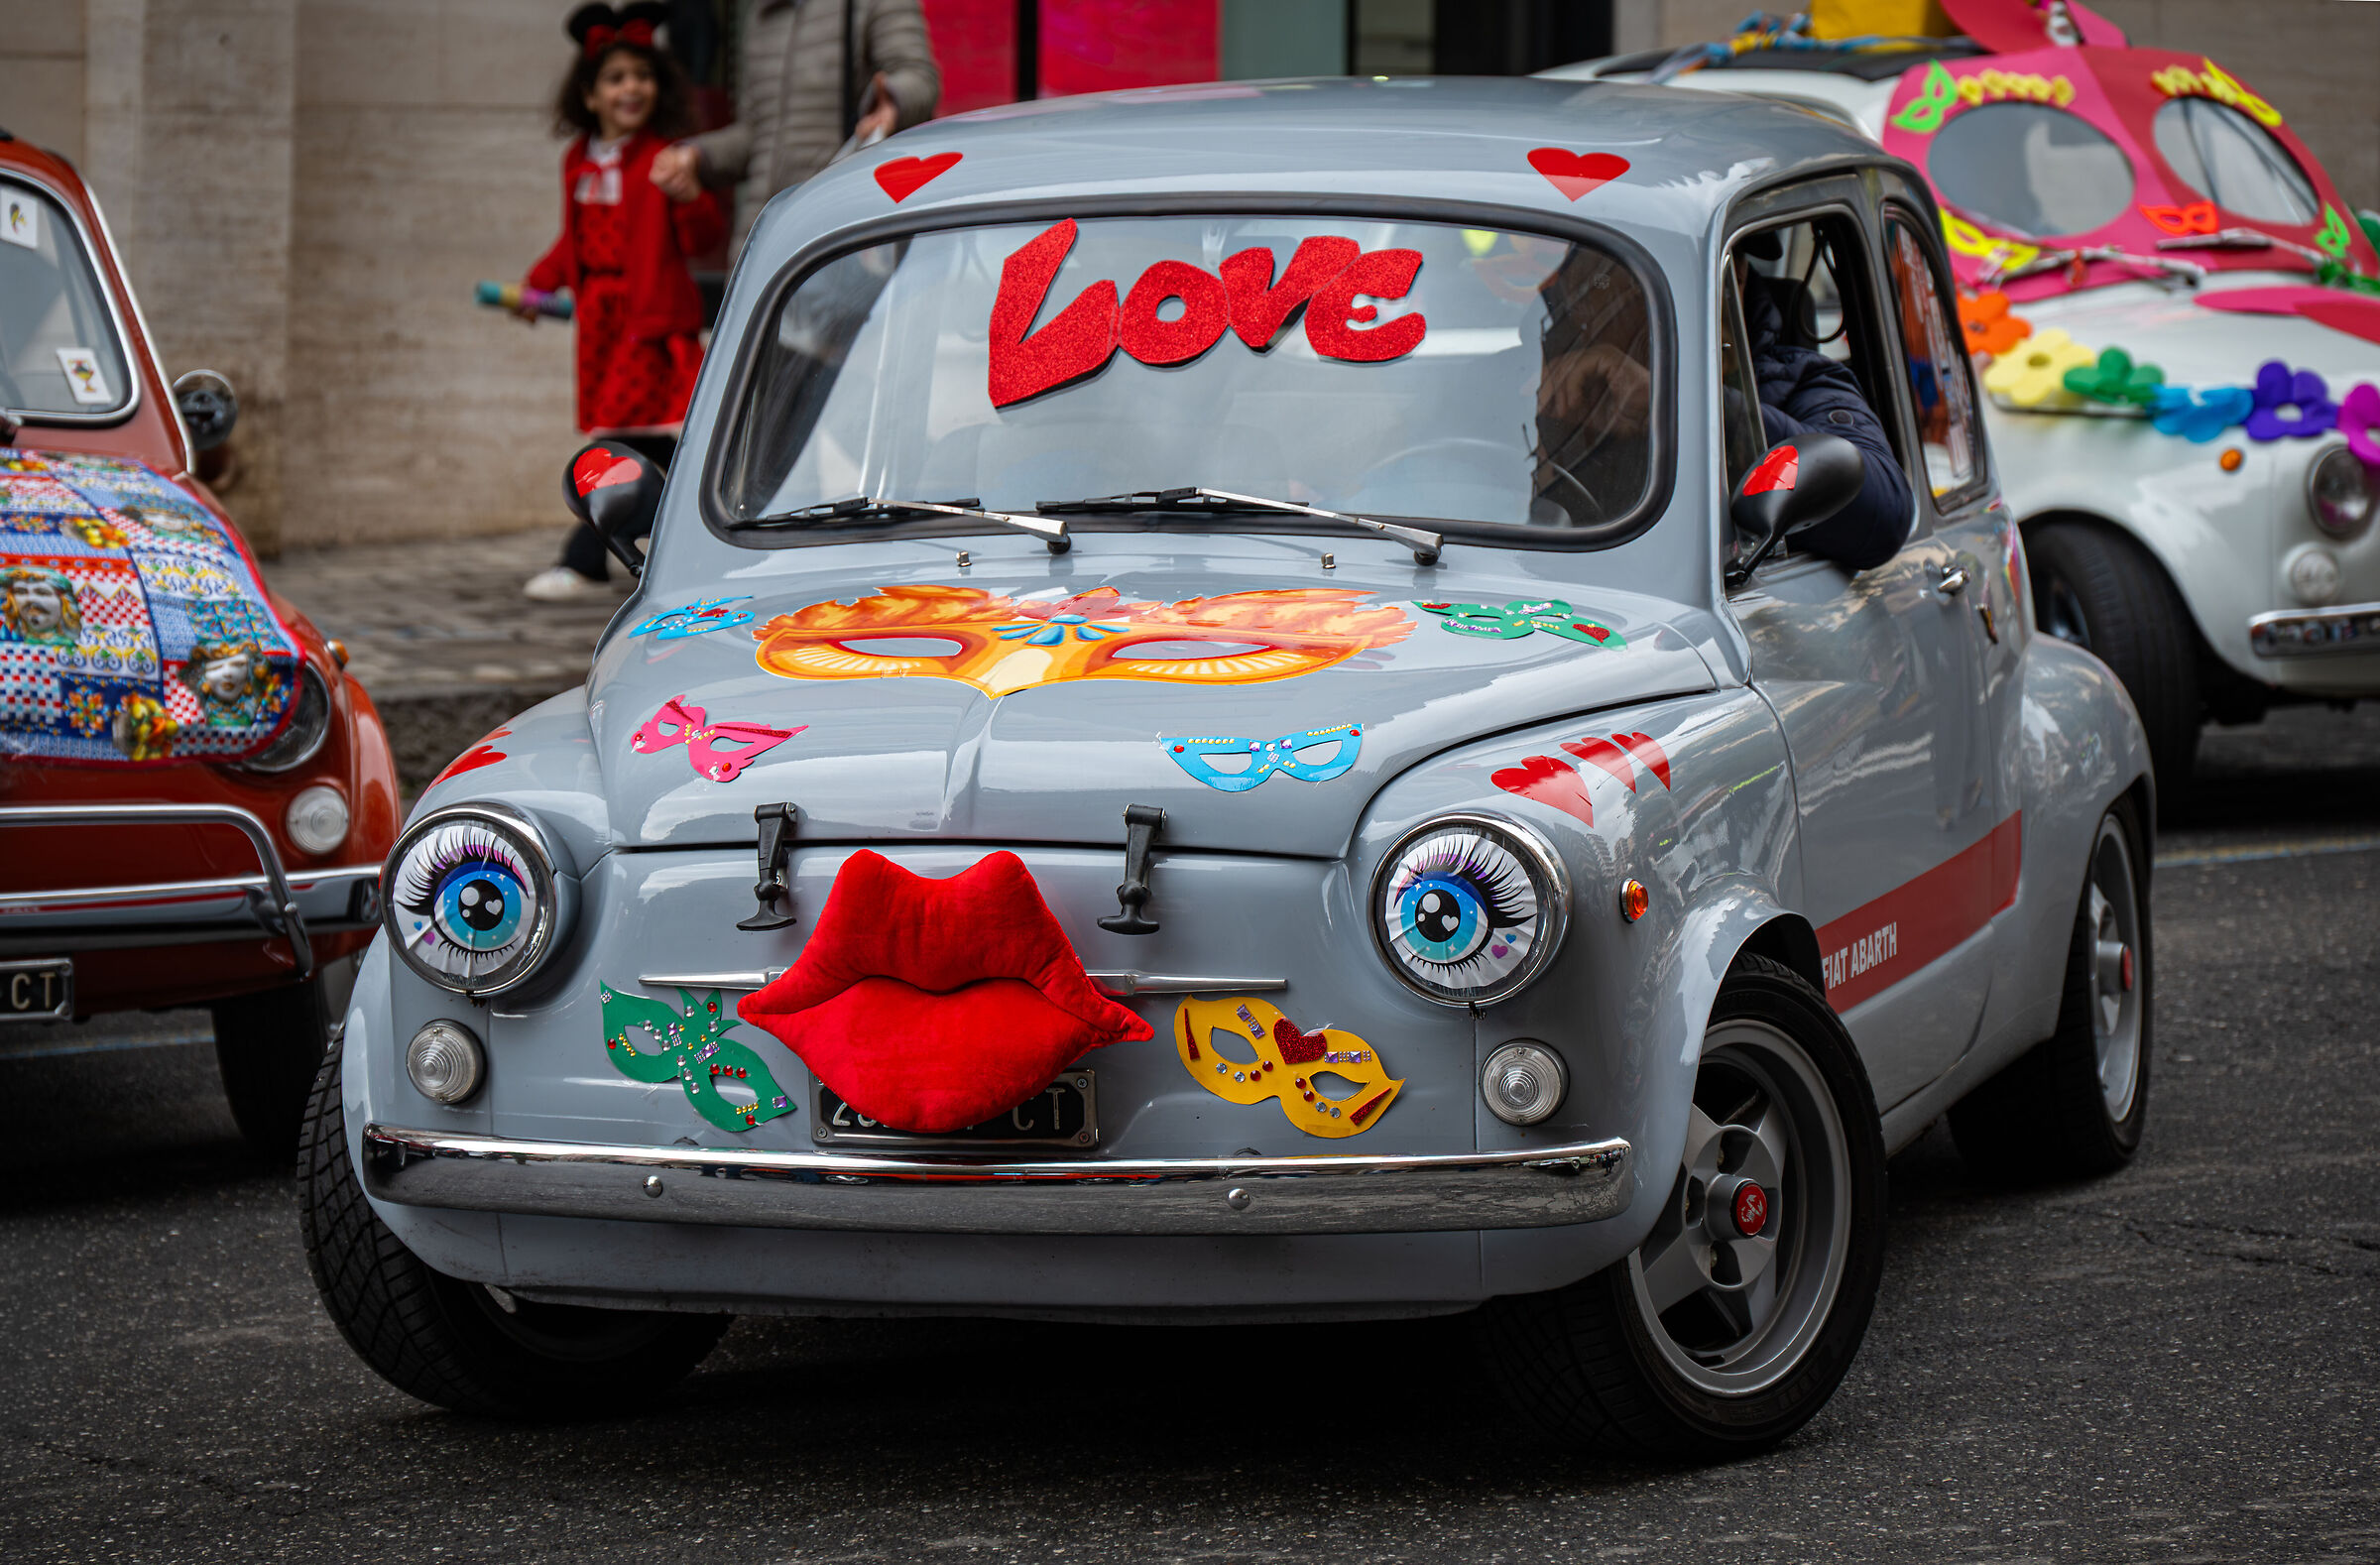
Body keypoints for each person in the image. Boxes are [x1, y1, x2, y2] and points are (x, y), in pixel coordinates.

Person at [519, 3, 726, 602]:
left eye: (642, 75)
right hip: (603, 325)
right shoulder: (577, 162)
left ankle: (587, 558)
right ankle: (680, 548)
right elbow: (575, 241)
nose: (631, 88)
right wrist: (540, 283)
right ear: (588, 95)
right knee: (656, 443)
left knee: (625, 442)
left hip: (652, 322)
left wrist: (688, 195)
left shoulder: (663, 156)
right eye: (615, 78)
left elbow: (702, 239)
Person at [648, 0, 941, 258]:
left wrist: (891, 101)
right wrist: (696, 155)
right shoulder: (762, 12)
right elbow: (755, 134)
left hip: (836, 237)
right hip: (763, 242)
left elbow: (919, 77)